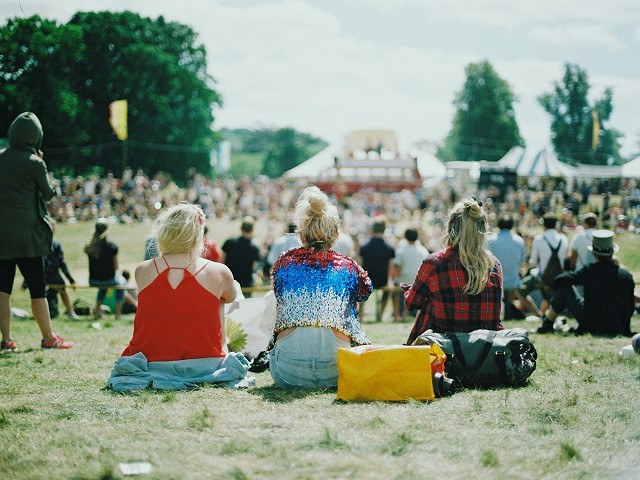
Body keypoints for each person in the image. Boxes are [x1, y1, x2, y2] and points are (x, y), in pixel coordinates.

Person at [108, 203, 250, 390]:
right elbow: (232, 297)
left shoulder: (143, 270)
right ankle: (219, 350)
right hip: (206, 363)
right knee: (221, 296)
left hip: (152, 362)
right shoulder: (218, 271)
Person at [269, 186, 372, 389]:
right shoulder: (348, 267)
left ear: (301, 234)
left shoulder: (284, 263)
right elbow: (365, 291)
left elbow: (279, 294)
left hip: (288, 372)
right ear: (335, 235)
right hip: (337, 371)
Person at [0, 112, 74, 350]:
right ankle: (48, 337)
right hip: (29, 236)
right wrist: (40, 161)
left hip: (2, 235)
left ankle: (7, 339)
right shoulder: (35, 162)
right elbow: (49, 193)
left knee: (3, 289)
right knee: (36, 287)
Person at [404, 198, 503, 344]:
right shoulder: (493, 265)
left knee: (431, 301)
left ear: (450, 228)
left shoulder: (435, 263)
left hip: (446, 348)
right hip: (485, 350)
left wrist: (410, 290)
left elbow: (411, 303)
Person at [536, 230, 636, 336]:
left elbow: (559, 280)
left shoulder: (590, 271)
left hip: (592, 325)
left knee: (565, 289)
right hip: (619, 326)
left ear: (594, 253)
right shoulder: (626, 276)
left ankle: (547, 323)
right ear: (612, 253)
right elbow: (630, 307)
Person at [519, 213, 569, 317]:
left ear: (544, 225)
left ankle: (537, 314)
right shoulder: (563, 239)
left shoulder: (539, 239)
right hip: (558, 278)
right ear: (556, 225)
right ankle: (546, 316)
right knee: (548, 296)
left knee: (521, 290)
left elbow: (533, 262)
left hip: (542, 277)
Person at [485, 214, 526, 319]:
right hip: (513, 281)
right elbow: (521, 262)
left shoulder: (490, 240)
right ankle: (511, 308)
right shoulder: (520, 241)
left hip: (493, 280)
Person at [85, 219, 124, 319]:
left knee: (103, 286)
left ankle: (97, 312)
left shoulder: (90, 246)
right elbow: (116, 268)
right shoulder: (112, 246)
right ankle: (118, 315)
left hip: (93, 280)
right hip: (108, 280)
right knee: (122, 284)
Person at [358, 216, 396, 321]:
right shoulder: (389, 247)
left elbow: (360, 265)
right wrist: (390, 281)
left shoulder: (364, 246)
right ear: (384, 229)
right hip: (382, 280)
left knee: (363, 290)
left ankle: (360, 313)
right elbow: (391, 267)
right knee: (387, 292)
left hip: (368, 280)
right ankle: (380, 314)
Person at [393, 228, 429, 322]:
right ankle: (405, 314)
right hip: (418, 280)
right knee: (410, 292)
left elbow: (398, 267)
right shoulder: (423, 250)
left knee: (395, 292)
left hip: (404, 279)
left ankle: (396, 315)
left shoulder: (401, 250)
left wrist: (395, 279)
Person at [222, 216, 261, 296]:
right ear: (252, 230)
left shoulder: (229, 242)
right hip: (246, 285)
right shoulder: (254, 248)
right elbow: (254, 266)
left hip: (229, 282)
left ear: (241, 228)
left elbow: (222, 260)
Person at [44, 235, 79, 320]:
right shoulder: (55, 244)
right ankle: (70, 312)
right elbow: (61, 263)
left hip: (40, 274)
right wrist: (70, 279)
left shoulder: (37, 242)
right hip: (52, 274)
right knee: (63, 288)